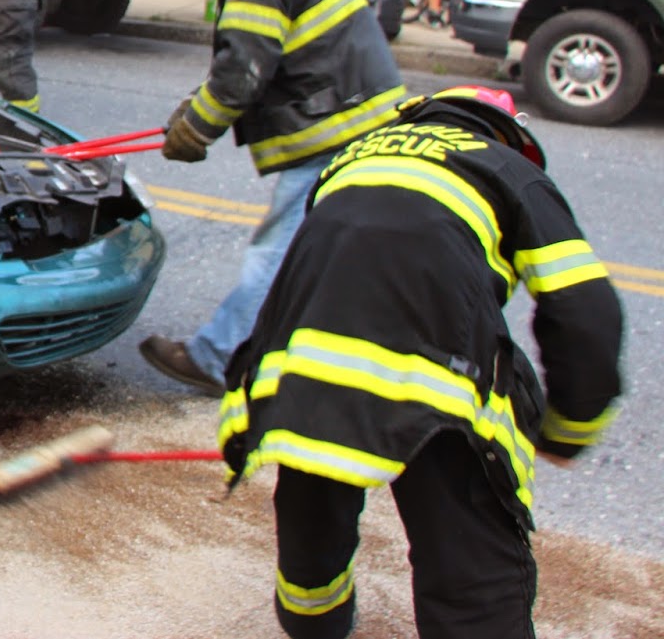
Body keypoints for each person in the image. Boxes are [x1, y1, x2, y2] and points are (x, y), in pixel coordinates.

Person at [218, 86, 624, 639]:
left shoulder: (352, 159)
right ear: (506, 134)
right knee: (471, 576)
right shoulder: (508, 168)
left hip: (304, 375)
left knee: (312, 533)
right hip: (437, 389)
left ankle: (317, 625)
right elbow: (586, 308)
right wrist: (570, 429)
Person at [138, 0, 406, 397]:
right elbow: (256, 54)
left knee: (279, 248)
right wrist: (195, 103)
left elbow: (244, 70)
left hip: (338, 127)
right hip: (360, 116)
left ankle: (216, 358)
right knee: (333, 251)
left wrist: (196, 128)